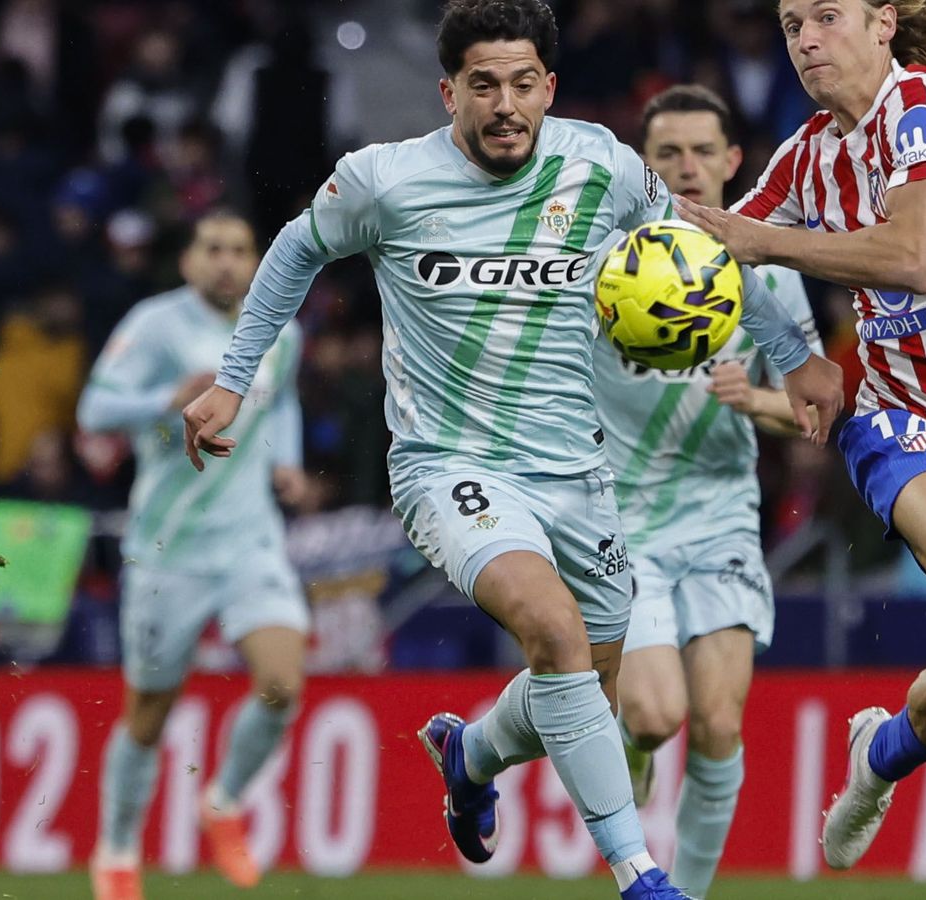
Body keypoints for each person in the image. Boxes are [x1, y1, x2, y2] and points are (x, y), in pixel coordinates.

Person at [181, 3, 845, 898]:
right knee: (555, 632)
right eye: (484, 85)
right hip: (448, 467)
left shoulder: (602, 167)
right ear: (449, 90)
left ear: (550, 89)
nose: (505, 105)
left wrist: (799, 358)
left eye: (523, 84)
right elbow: (295, 251)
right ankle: (640, 874)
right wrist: (232, 377)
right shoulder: (386, 180)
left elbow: (706, 248)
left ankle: (471, 753)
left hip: (575, 471)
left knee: (584, 686)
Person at [675, 1, 926, 897]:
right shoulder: (805, 155)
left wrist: (756, 239)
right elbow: (714, 255)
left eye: (827, 17)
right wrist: (793, 356)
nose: (806, 41)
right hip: (900, 414)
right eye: (790, 26)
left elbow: (912, 255)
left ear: (882, 24)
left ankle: (883, 751)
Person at [598, 84, 823, 900]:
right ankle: (632, 740)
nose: (686, 168)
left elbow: (814, 406)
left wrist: (756, 397)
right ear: (645, 166)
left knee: (721, 724)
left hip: (722, 509)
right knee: (658, 715)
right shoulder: (609, 261)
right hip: (622, 522)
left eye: (702, 152)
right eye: (667, 154)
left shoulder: (766, 269)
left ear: (732, 163)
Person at [79, 210, 313, 900]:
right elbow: (94, 409)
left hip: (250, 540)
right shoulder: (157, 325)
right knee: (149, 713)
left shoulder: (281, 329)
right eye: (212, 248)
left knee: (282, 682)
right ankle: (118, 851)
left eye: (240, 250)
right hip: (167, 549)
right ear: (187, 260)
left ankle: (224, 801)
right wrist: (166, 398)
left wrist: (289, 463)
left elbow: (285, 401)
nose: (226, 262)